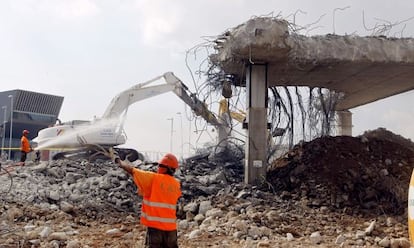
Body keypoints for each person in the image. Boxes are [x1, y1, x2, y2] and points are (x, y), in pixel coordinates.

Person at [115, 153, 182, 248]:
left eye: (160, 165)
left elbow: (133, 171)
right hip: (171, 230)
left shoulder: (154, 179)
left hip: (156, 228)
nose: (158, 167)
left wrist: (119, 162)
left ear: (165, 167)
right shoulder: (176, 184)